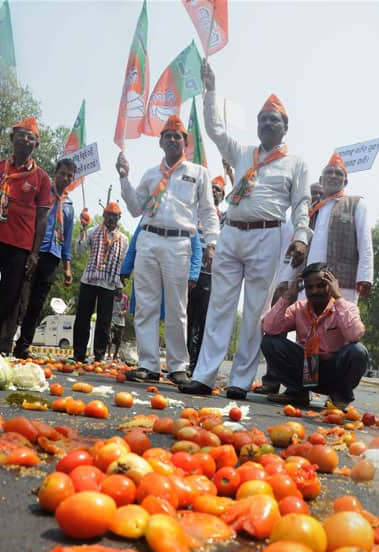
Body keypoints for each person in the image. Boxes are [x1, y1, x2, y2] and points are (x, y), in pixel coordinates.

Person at [180, 61, 311, 400]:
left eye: (274, 120)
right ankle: (205, 375)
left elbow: (301, 202)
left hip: (268, 236)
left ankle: (239, 380)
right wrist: (210, 91)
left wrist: (300, 236)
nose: (268, 123)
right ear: (257, 126)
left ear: (285, 127)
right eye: (263, 119)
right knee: (219, 307)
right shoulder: (242, 153)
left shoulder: (296, 163)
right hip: (232, 233)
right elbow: (215, 131)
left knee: (255, 311)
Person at [116, 115, 219, 385]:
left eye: (178, 136)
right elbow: (136, 208)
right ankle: (148, 364)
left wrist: (211, 243)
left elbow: (208, 211)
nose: (172, 139)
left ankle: (177, 367)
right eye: (168, 135)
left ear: (185, 143)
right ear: (160, 142)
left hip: (180, 242)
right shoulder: (150, 174)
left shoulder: (199, 173)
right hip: (148, 240)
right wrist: (124, 179)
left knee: (177, 307)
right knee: (146, 305)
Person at [0, 117, 50, 356]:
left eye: (31, 137)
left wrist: (35, 253)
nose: (25, 139)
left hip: (20, 247)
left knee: (10, 301)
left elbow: (41, 219)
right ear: (12, 139)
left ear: (36, 145)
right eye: (21, 135)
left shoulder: (42, 178)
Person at [261, 262, 368, 410]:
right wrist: (287, 297)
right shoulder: (298, 308)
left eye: (320, 285)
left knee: (358, 351)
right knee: (270, 342)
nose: (315, 291)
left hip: (333, 371)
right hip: (307, 370)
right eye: (309, 287)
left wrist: (338, 297)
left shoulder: (346, 308)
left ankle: (339, 398)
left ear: (331, 285)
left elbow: (355, 334)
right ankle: (297, 393)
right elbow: (269, 328)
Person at [258, 181, 323, 395]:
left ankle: (303, 388)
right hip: (288, 290)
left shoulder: (325, 227)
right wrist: (283, 286)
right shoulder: (290, 226)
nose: (315, 199)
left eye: (319, 195)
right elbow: (283, 259)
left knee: (310, 338)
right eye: (312, 194)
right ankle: (272, 381)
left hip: (315, 294)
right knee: (274, 332)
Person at [281, 154, 373, 303]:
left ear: (345, 181)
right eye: (329, 172)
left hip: (342, 281)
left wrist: (365, 277)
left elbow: (365, 243)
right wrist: (286, 278)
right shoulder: (311, 211)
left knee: (340, 322)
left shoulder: (355, 204)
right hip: (310, 285)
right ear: (321, 180)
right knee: (306, 324)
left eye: (338, 173)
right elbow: (299, 249)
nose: (333, 176)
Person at [13, 158, 76, 359]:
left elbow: (67, 237)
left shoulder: (69, 205)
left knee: (37, 303)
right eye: (63, 173)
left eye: (70, 175)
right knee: (18, 297)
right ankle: (4, 341)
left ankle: (23, 347)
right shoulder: (42, 192)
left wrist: (67, 267)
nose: (65, 178)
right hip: (32, 250)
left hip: (53, 256)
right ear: (55, 172)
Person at [73, 202, 128, 363]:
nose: (111, 218)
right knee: (82, 318)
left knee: (104, 322)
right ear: (104, 215)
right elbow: (80, 249)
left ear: (119, 218)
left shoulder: (123, 239)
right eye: (109, 215)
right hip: (89, 280)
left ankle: (99, 356)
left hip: (109, 284)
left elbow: (122, 264)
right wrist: (82, 228)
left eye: (115, 216)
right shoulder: (93, 231)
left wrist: (119, 286)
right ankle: (79, 354)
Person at [187, 175, 226, 374]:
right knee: (186, 317)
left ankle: (197, 364)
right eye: (211, 188)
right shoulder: (193, 213)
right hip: (189, 273)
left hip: (211, 276)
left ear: (223, 195)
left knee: (203, 321)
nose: (213, 192)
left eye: (218, 190)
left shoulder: (225, 218)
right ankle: (184, 359)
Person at [109, 288, 129, 360]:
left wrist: (123, 312)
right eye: (116, 298)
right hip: (112, 319)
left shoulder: (125, 298)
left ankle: (115, 355)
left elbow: (126, 309)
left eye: (119, 298)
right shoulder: (111, 297)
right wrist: (110, 321)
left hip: (121, 322)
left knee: (118, 340)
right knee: (110, 338)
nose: (117, 299)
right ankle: (108, 354)